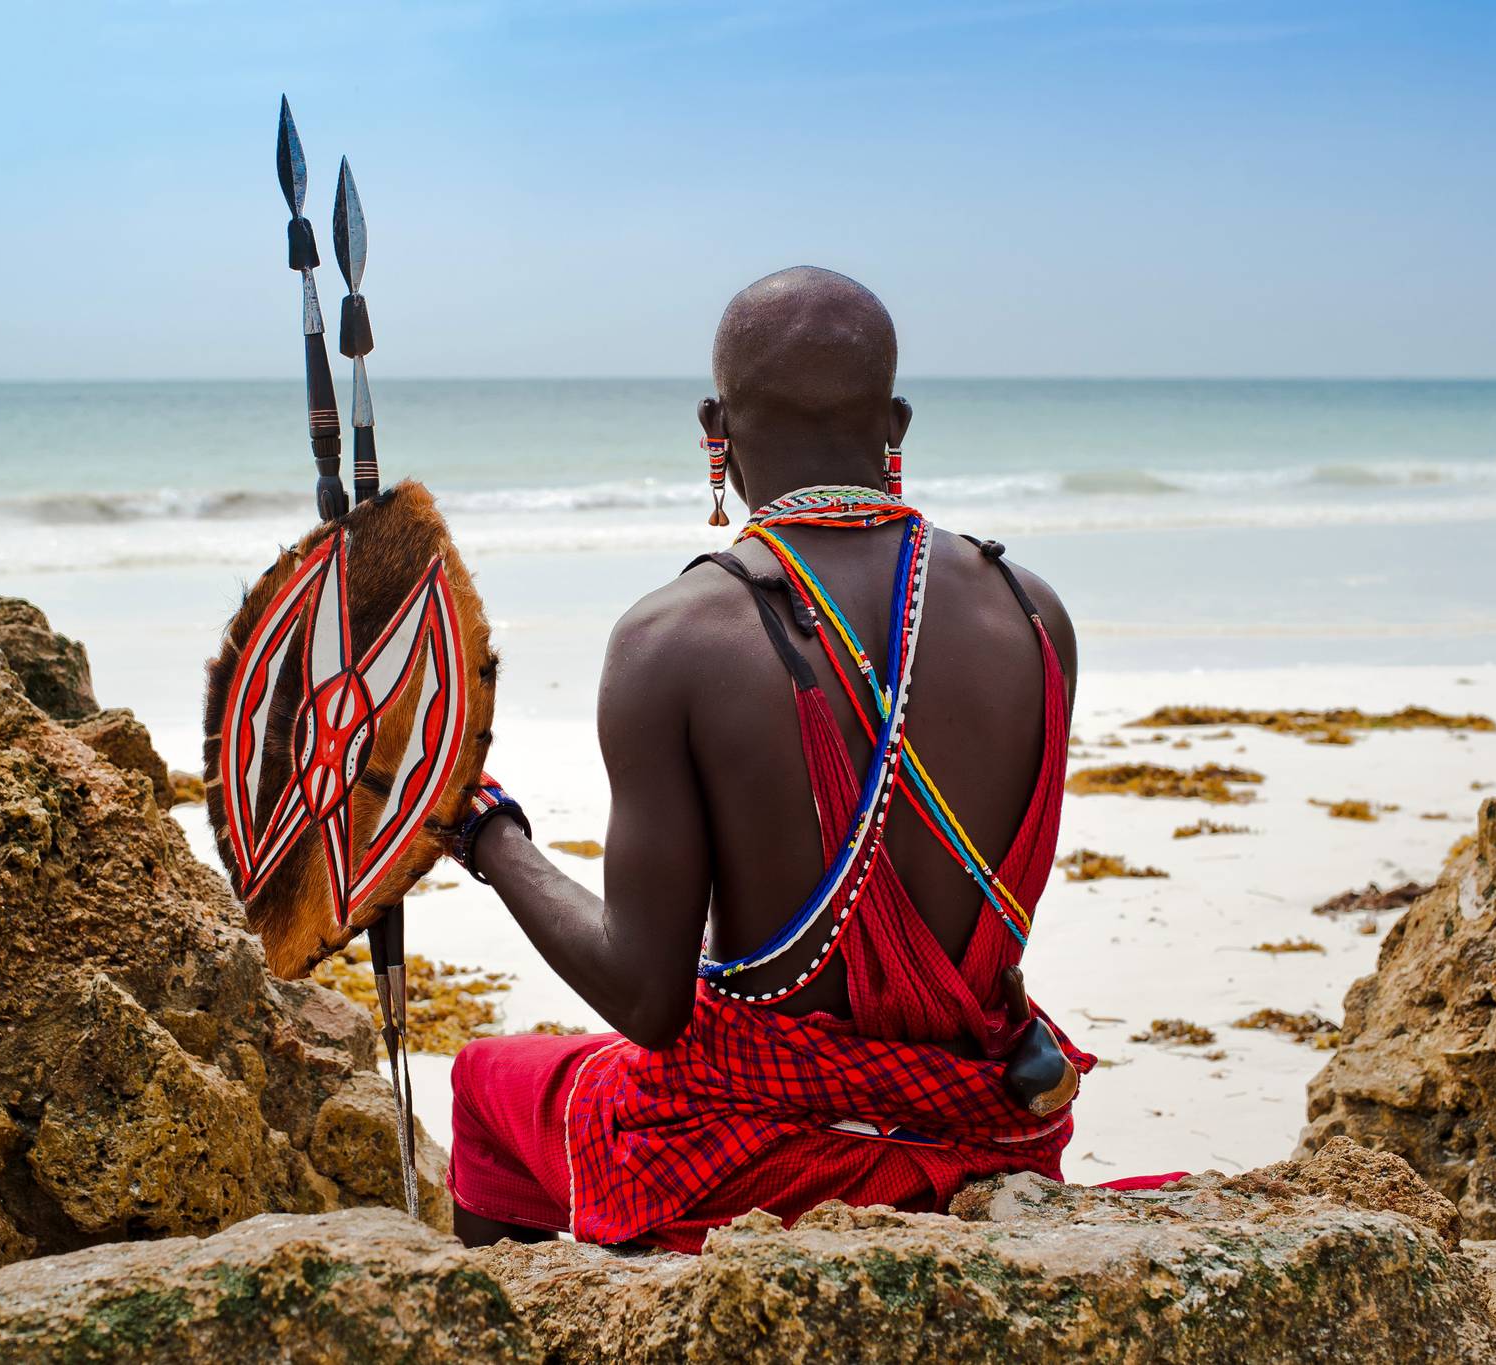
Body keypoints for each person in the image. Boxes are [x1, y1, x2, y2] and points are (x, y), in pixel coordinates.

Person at [442, 266, 1091, 1252]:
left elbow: (646, 1002)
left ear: (713, 424)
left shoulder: (670, 638)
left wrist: (490, 835)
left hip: (762, 1167)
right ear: (896, 427)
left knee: (487, 1080)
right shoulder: (1034, 615)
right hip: (987, 1133)